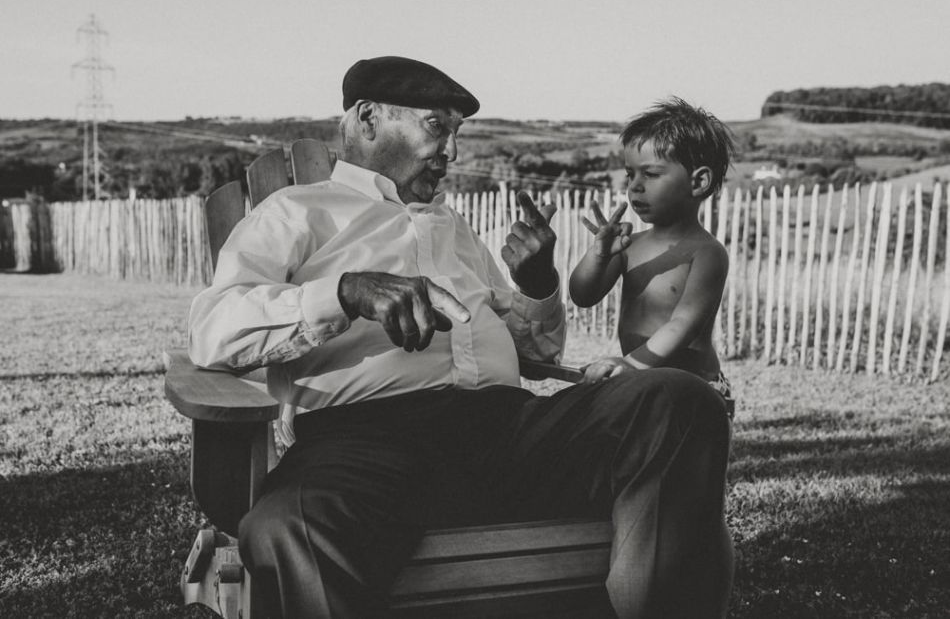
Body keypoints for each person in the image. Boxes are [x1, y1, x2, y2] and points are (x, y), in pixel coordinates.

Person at [189, 58, 732, 618]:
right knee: (288, 525)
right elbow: (211, 328)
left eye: (457, 133)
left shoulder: (456, 230)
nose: (451, 150)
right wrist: (347, 292)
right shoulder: (296, 213)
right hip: (363, 445)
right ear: (369, 119)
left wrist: (537, 283)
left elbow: (537, 354)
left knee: (677, 400)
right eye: (436, 127)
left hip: (507, 432)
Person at [569, 98, 736, 414]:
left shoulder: (707, 253)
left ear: (698, 182)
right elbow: (582, 295)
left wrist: (631, 364)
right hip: (645, 381)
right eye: (630, 174)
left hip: (694, 389)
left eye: (650, 174)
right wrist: (598, 256)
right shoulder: (630, 245)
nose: (635, 187)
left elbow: (683, 324)